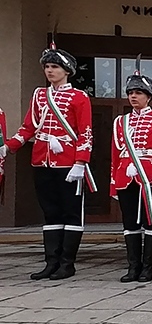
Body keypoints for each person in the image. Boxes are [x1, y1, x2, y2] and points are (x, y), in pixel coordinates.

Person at [0, 38, 96, 281]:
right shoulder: (39, 95)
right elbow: (28, 127)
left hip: (68, 162)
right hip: (42, 160)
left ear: (66, 71)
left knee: (71, 213)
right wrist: (8, 147)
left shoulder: (79, 97)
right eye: (47, 67)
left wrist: (80, 161)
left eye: (54, 67)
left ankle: (67, 263)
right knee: (50, 212)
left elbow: (85, 132)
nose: (50, 71)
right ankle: (51, 262)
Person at [111, 55, 152, 283]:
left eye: (138, 93)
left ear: (148, 96)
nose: (133, 97)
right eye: (130, 93)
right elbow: (114, 153)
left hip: (151, 176)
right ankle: (133, 267)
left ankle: (148, 267)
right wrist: (113, 183)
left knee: (151, 222)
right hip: (126, 176)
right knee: (130, 223)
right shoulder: (120, 121)